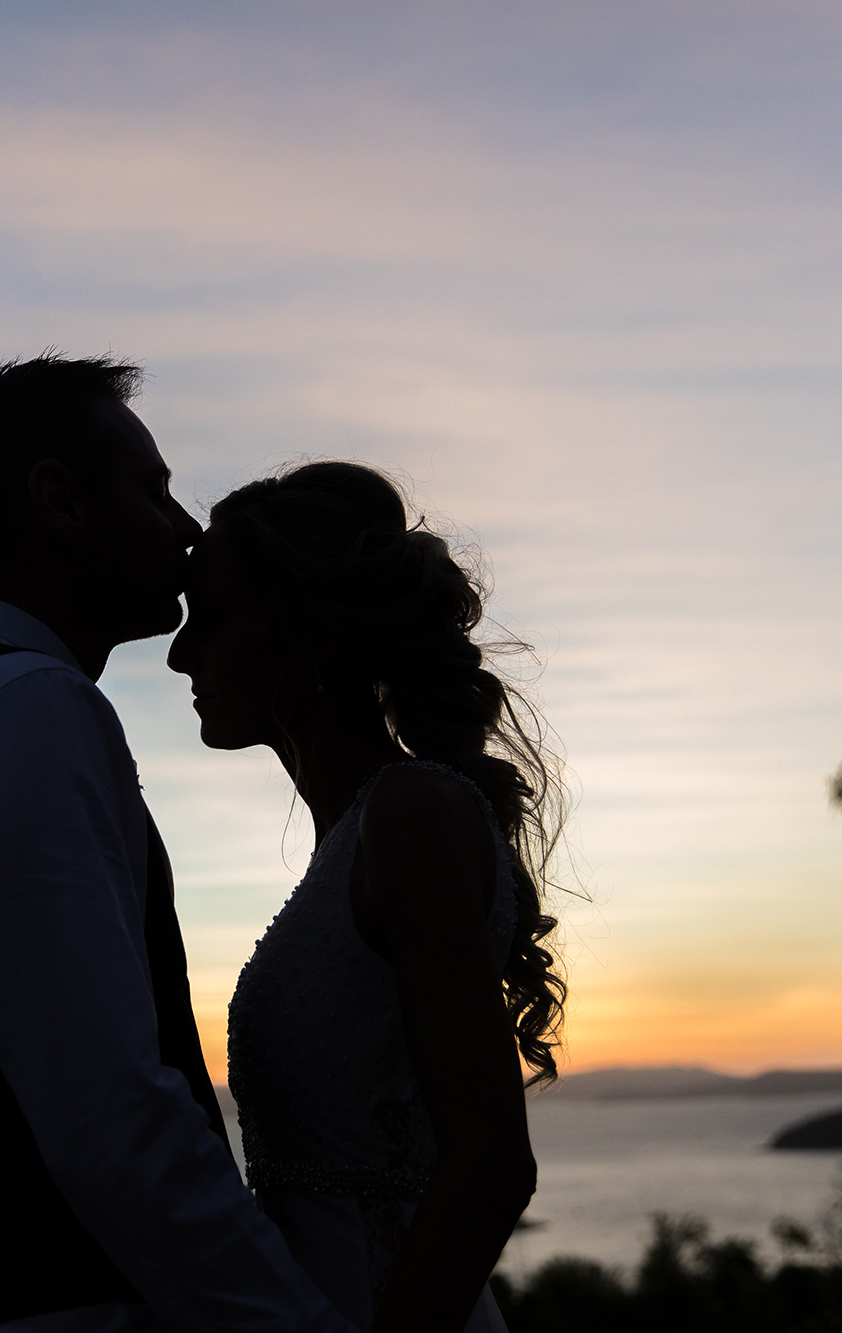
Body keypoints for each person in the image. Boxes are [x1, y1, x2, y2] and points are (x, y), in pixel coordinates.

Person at [0, 356, 351, 1333]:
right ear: (59, 500)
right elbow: (107, 1113)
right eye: (152, 490)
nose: (186, 528)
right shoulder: (24, 709)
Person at [167, 462, 565, 1333]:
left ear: (309, 631)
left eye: (213, 618)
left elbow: (492, 1163)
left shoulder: (411, 814)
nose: (177, 652)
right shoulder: (359, 834)